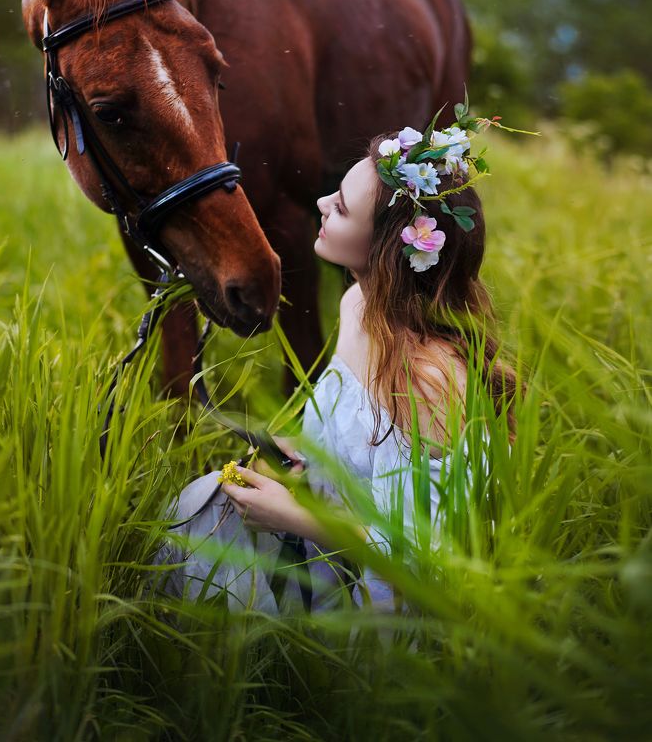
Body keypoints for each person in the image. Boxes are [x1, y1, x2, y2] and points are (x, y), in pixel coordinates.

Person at [147, 101, 522, 618]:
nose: (321, 203)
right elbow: (352, 433)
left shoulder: (430, 378)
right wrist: (302, 451)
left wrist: (295, 518)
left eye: (342, 207)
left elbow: (428, 553)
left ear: (387, 248)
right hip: (330, 540)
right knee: (206, 500)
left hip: (382, 595)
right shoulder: (356, 303)